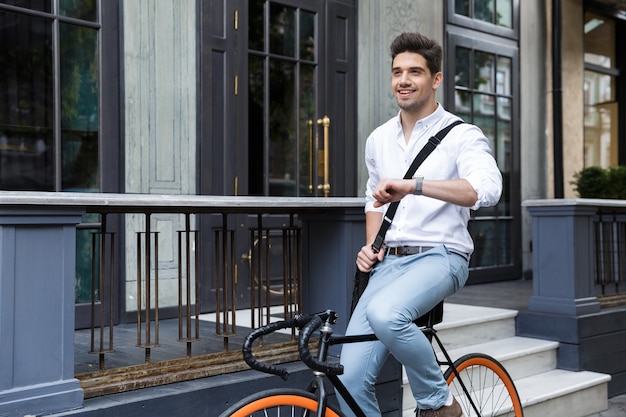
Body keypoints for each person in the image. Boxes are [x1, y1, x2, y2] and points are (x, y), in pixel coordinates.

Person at [337, 32, 503, 417]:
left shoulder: (463, 136)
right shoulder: (379, 139)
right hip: (389, 265)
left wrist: (415, 186)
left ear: (436, 79)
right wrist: (372, 246)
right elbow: (373, 199)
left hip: (441, 257)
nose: (404, 80)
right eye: (397, 72)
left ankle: (438, 403)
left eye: (415, 71)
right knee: (348, 380)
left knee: (385, 314)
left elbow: (487, 189)